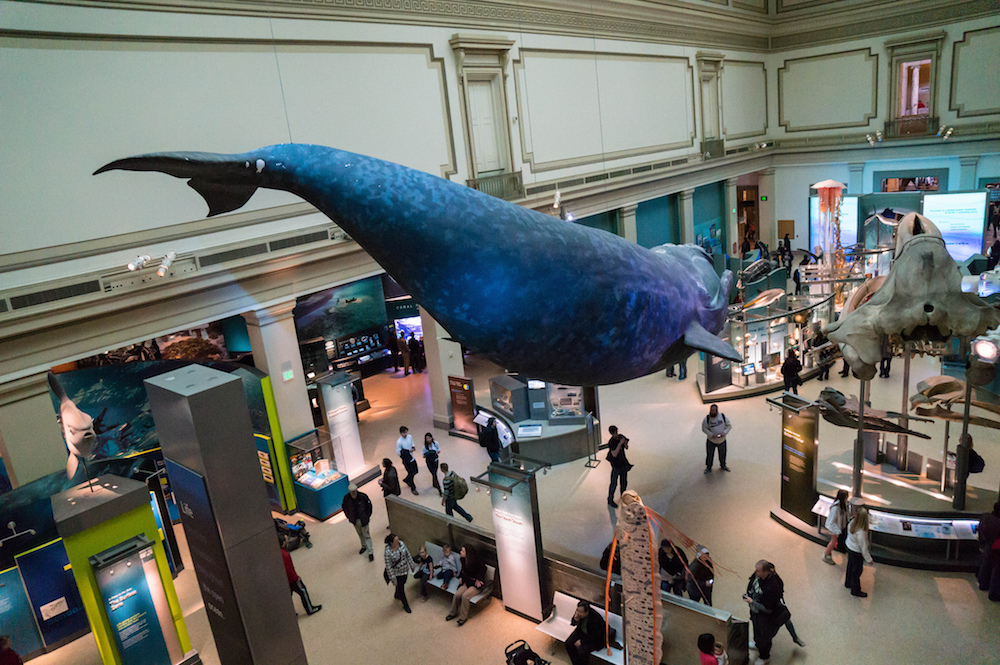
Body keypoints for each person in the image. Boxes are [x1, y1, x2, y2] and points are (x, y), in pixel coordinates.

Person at [743, 560, 784, 665]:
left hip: (765, 617)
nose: (755, 572)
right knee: (757, 631)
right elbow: (752, 584)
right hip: (755, 612)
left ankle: (764, 656)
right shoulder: (758, 576)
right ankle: (757, 644)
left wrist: (752, 601)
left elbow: (768, 609)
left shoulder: (772, 588)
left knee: (765, 636)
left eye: (758, 570)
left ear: (766, 572)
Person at [281, 537, 322, 615]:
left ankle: (289, 613)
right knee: (303, 591)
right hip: (292, 579)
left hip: (284, 580)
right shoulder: (284, 554)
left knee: (288, 597)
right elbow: (289, 569)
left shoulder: (279, 553)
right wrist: (295, 578)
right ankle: (310, 609)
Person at [446, 545, 486, 626]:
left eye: (463, 551)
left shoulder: (476, 562)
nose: (460, 552)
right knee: (457, 594)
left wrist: (478, 579)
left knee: (465, 596)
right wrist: (461, 577)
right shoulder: (464, 560)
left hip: (475, 585)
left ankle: (463, 617)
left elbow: (483, 569)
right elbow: (463, 571)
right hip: (467, 582)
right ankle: (453, 612)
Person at [565, 600, 607, 665]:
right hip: (581, 632)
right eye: (577, 610)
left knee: (582, 651)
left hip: (594, 640)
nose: (578, 613)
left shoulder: (595, 619)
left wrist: (581, 641)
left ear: (587, 612)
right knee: (568, 643)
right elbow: (573, 623)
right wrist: (575, 620)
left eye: (580, 612)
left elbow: (595, 637)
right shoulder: (579, 613)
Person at [845, 506, 874, 597]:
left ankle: (848, 582)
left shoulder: (852, 522)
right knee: (857, 571)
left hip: (849, 547)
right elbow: (864, 548)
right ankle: (855, 590)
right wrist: (869, 559)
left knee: (850, 566)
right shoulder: (861, 532)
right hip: (856, 552)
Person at [341, 482, 374, 561]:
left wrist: (367, 517)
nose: (354, 493)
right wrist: (349, 517)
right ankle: (363, 546)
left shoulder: (363, 497)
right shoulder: (346, 499)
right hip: (355, 520)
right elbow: (345, 508)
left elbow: (369, 507)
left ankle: (370, 552)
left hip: (363, 520)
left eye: (355, 491)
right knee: (360, 534)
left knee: (366, 535)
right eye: (352, 492)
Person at [384, 533, 416, 613]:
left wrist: (412, 565)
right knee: (401, 588)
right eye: (396, 540)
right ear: (391, 542)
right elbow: (389, 567)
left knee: (402, 583)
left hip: (404, 570)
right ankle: (405, 604)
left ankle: (397, 594)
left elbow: (407, 554)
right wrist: (393, 579)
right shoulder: (388, 552)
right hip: (397, 573)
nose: (398, 541)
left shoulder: (401, 544)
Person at [977, 502, 1000, 601]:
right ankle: (994, 594)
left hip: (988, 544)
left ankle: (983, 584)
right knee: (997, 570)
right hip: (997, 548)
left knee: (986, 564)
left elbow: (981, 529)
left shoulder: (986, 517)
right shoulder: (998, 523)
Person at [605, 426, 631, 507]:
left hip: (623, 463)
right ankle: (610, 499)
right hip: (616, 465)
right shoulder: (611, 442)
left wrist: (625, 443)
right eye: (615, 432)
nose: (616, 434)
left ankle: (623, 497)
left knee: (624, 482)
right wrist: (620, 443)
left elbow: (626, 447)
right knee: (614, 483)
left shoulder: (621, 437)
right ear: (612, 433)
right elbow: (614, 454)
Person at [702, 405, 732, 474]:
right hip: (711, 441)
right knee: (710, 454)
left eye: (713, 411)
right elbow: (704, 428)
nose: (711, 412)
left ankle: (723, 465)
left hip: (722, 441)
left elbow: (729, 426)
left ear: (716, 410)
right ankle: (708, 467)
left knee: (722, 454)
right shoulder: (707, 419)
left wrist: (724, 433)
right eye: (711, 410)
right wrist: (711, 434)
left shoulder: (723, 417)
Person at [822, 489, 849, 564]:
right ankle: (826, 554)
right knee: (833, 542)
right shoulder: (836, 507)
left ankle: (828, 554)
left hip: (836, 528)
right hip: (834, 528)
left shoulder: (841, 505)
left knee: (833, 541)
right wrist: (837, 531)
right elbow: (831, 521)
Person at [396, 425, 419, 495]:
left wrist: (413, 446)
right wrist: (408, 452)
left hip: (412, 458)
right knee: (411, 473)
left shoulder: (409, 437)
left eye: (406, 432)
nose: (405, 434)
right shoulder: (399, 442)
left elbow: (412, 443)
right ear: (401, 433)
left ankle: (407, 479)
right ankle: (413, 488)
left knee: (415, 471)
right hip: (407, 460)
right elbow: (398, 452)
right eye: (404, 433)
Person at [379, 458, 401, 522]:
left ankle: (395, 521)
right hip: (394, 491)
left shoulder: (390, 474)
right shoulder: (391, 469)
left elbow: (391, 487)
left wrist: (382, 484)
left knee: (392, 509)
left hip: (391, 493)